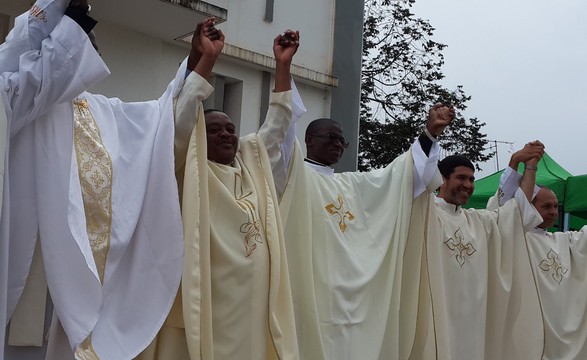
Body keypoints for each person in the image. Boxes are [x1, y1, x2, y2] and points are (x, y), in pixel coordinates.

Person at [0, 1, 221, 358]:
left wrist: (199, 65)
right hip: (21, 258)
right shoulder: (12, 95)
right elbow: (21, 47)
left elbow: (162, 129)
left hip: (70, 278)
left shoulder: (99, 111)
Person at [138, 28, 301, 360]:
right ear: (199, 137)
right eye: (215, 130)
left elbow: (278, 124)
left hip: (250, 310)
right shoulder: (187, 169)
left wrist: (282, 67)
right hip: (206, 299)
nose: (227, 134)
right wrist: (208, 59)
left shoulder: (252, 166)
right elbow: (182, 117)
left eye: (231, 129)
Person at [258, 97, 454, 359]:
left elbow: (402, 177)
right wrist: (283, 74)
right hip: (307, 292)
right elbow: (277, 141)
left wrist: (429, 134)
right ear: (309, 140)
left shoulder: (352, 184)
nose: (338, 144)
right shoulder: (292, 177)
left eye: (342, 141)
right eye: (331, 137)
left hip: (352, 304)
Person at [410, 145, 546, 360]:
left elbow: (516, 211)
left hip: (472, 324)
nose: (467, 185)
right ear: (442, 179)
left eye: (471, 179)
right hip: (434, 316)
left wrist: (529, 167)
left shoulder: (477, 221)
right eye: (461, 178)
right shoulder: (425, 213)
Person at [493, 145, 587, 359]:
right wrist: (523, 165)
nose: (554, 212)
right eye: (547, 207)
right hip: (524, 330)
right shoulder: (513, 237)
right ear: (529, 206)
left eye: (556, 207)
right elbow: (505, 208)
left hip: (559, 331)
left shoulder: (564, 241)